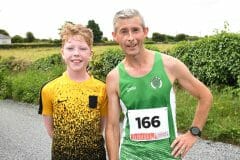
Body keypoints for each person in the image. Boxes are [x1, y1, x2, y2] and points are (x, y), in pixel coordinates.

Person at [105, 9, 213, 160]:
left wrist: (193, 133)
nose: (130, 38)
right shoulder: (114, 77)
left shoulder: (169, 65)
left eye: (135, 30)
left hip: (167, 155)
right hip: (130, 155)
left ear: (145, 31)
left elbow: (205, 95)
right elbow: (112, 127)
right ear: (115, 36)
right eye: (124, 31)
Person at [38, 22, 107, 160]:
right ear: (63, 53)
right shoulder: (48, 89)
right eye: (70, 48)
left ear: (90, 54)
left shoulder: (102, 88)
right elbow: (51, 131)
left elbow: (101, 128)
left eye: (82, 48)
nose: (76, 53)